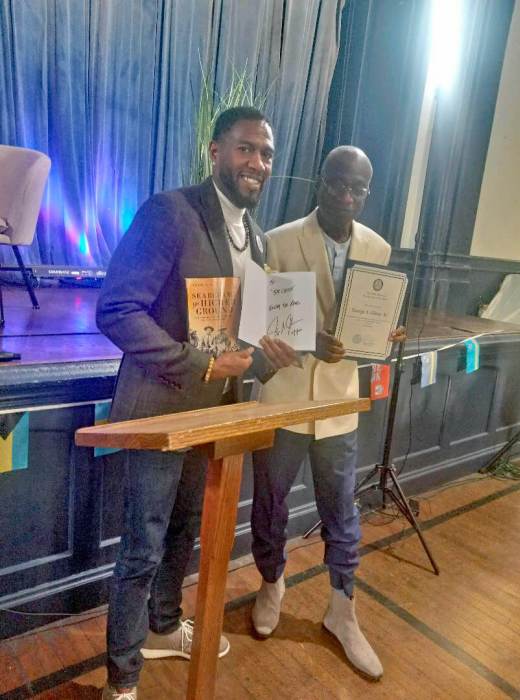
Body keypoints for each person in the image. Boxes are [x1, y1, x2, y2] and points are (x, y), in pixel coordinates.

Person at [96, 106, 296, 700]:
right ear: (216, 151)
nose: (256, 163)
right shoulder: (172, 212)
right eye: (245, 149)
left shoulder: (256, 238)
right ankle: (122, 680)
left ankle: (162, 626)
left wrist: (271, 354)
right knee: (143, 545)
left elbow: (240, 343)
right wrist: (198, 363)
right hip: (160, 408)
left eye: (265, 153)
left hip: (214, 414)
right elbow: (117, 310)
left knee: (183, 532)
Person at [250, 146, 405, 681]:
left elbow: (374, 323)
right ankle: (272, 585)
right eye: (337, 183)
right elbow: (261, 323)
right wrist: (305, 338)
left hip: (339, 404)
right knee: (269, 505)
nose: (345, 196)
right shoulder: (278, 239)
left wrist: (385, 337)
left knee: (342, 512)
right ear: (320, 182)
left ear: (367, 191)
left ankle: (343, 608)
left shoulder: (378, 248)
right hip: (286, 399)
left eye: (357, 188)